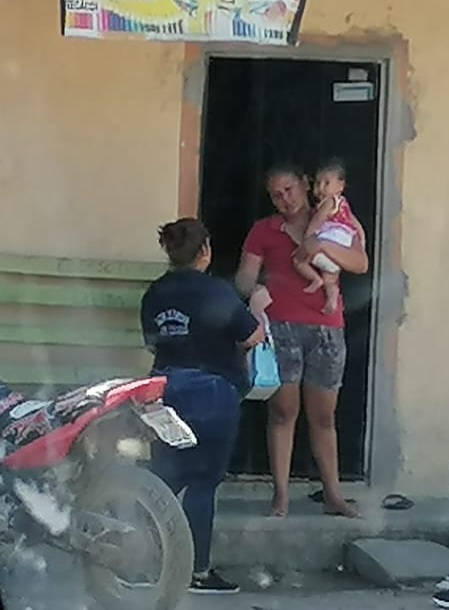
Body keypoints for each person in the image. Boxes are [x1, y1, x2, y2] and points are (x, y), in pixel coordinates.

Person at [235, 164, 368, 518]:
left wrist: (321, 243)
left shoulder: (335, 218)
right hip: (281, 328)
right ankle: (280, 496)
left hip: (327, 328)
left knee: (324, 417)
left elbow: (360, 262)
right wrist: (254, 289)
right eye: (276, 195)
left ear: (306, 185)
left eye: (290, 189)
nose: (285, 199)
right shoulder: (264, 229)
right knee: (283, 412)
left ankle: (333, 496)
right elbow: (244, 276)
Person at [140, 217, 263, 594]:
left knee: (164, 477)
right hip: (212, 392)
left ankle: (139, 561)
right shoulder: (216, 291)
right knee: (203, 482)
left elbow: (152, 343)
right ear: (205, 250)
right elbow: (251, 335)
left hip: (163, 390)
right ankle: (197, 572)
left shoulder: (155, 293)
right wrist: (259, 306)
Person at [289, 159, 366, 315]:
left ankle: (315, 279)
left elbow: (317, 222)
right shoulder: (343, 203)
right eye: (318, 183)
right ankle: (332, 297)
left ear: (341, 185)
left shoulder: (328, 202)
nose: (321, 188)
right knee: (330, 279)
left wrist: (307, 241)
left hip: (331, 238)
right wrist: (361, 240)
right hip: (343, 243)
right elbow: (356, 224)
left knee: (298, 260)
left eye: (326, 183)